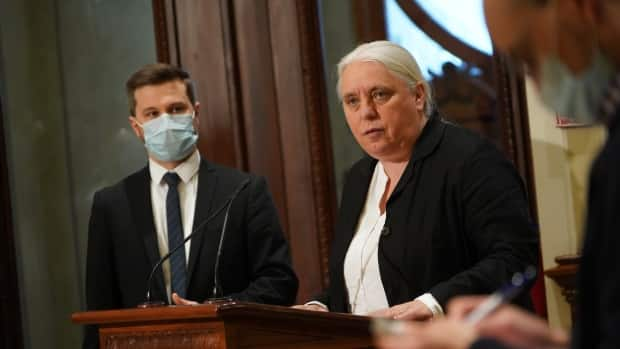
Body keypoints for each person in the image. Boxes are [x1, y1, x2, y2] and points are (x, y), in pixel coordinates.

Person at [375, 0, 620, 348]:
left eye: (528, 56)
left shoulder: (471, 159)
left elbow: (511, 255)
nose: (535, 84)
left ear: (580, 9)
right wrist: (551, 343)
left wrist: (472, 346)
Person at [295, 41, 539, 321]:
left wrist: (434, 303)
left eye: (380, 95)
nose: (366, 112)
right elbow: (361, 280)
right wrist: (320, 307)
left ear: (418, 95)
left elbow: (515, 259)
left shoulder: (471, 160)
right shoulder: (359, 178)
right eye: (352, 101)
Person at [83, 63, 298, 348]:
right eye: (152, 114)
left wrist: (216, 310)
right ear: (137, 128)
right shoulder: (112, 204)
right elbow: (99, 309)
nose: (166, 121)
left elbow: (279, 281)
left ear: (195, 114)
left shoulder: (244, 191)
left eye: (175, 109)